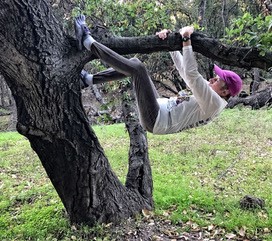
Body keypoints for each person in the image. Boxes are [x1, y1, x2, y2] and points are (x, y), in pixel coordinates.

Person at [74, 15, 242, 135]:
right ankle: (88, 80)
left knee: (137, 69)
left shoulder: (213, 102)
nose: (213, 78)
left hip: (157, 119)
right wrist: (169, 44)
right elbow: (185, 73)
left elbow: (191, 74)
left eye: (218, 79)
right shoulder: (212, 97)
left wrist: (186, 39)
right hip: (160, 107)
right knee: (134, 63)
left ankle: (88, 42)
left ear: (225, 91)